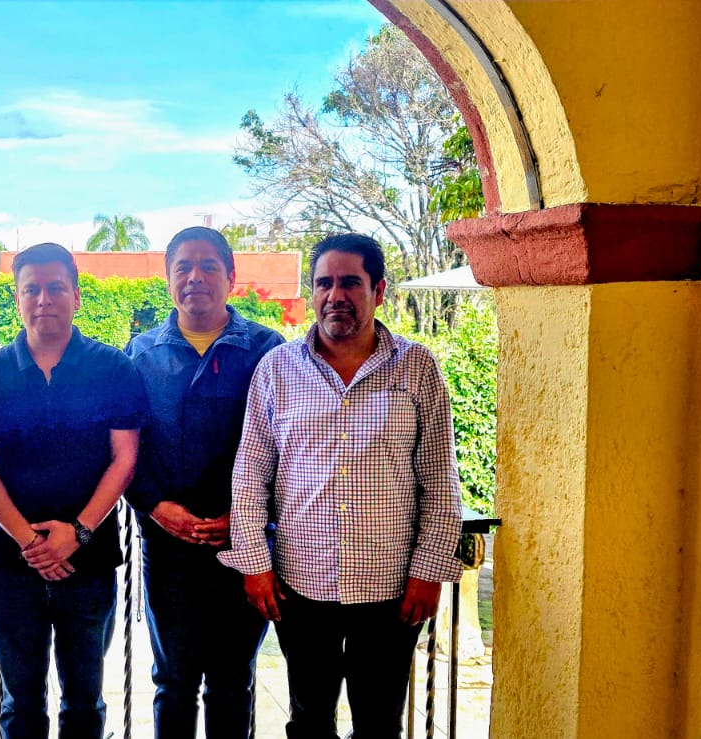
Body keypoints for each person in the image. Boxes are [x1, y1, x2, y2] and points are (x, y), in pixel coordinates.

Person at [220, 233, 463, 739]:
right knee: (309, 720)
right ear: (312, 292)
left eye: (351, 282)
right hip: (300, 583)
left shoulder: (417, 367)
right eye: (324, 283)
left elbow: (440, 479)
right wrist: (255, 566)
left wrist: (429, 571)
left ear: (379, 290)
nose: (336, 295)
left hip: (392, 585)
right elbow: (250, 475)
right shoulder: (277, 369)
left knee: (379, 723)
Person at [0, 243, 148, 739]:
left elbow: (125, 459)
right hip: (13, 563)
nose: (43, 299)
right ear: (18, 298)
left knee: (84, 701)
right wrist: (30, 542)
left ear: (76, 295)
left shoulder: (113, 368)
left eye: (55, 288)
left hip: (89, 562)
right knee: (19, 703)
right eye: (32, 289)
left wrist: (78, 533)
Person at [124, 227, 284, 738]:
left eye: (209, 266)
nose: (195, 277)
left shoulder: (268, 350)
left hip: (245, 547)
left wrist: (247, 517)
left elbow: (289, 447)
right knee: (173, 681)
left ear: (231, 277)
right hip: (168, 546)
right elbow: (125, 448)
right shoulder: (141, 354)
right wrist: (154, 505)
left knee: (233, 681)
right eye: (183, 267)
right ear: (168, 278)